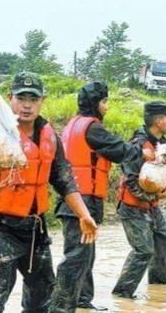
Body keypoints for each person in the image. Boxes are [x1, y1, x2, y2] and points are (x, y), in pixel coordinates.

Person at [0, 72, 99, 313]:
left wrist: (83, 215)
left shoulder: (50, 136)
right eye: (21, 98)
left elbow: (63, 179)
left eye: (33, 98)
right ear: (10, 98)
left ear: (42, 101)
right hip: (0, 227)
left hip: (34, 229)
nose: (27, 105)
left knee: (43, 297)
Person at [49, 81, 144, 312]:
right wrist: (142, 152)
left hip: (76, 199)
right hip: (81, 200)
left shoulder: (75, 124)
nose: (107, 107)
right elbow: (119, 150)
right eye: (104, 101)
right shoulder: (92, 128)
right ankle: (60, 306)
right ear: (94, 103)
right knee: (77, 256)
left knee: (85, 254)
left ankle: (82, 301)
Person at [111, 101, 166, 299]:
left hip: (151, 206)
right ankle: (122, 293)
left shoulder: (160, 143)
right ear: (158, 121)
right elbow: (131, 181)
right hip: (132, 207)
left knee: (165, 242)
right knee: (143, 251)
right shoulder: (137, 145)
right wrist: (155, 195)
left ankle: (158, 287)